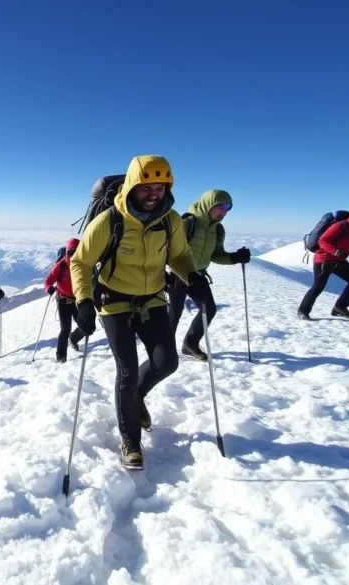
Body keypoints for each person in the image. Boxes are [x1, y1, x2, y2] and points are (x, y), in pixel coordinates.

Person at [70, 155, 205, 470]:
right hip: (114, 302)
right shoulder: (110, 221)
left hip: (153, 300)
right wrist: (84, 301)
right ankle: (130, 440)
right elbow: (81, 262)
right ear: (132, 186)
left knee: (167, 362)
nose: (154, 194)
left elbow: (180, 255)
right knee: (127, 372)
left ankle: (135, 400)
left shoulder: (170, 220)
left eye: (160, 187)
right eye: (147, 188)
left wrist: (192, 275)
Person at [167, 190, 251, 360]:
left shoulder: (218, 229)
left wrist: (235, 257)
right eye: (221, 206)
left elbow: (216, 254)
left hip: (199, 276)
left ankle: (189, 344)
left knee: (209, 309)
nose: (225, 212)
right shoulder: (187, 223)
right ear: (208, 205)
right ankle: (165, 351)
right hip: (177, 275)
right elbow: (168, 251)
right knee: (174, 313)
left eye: (228, 208)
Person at [44, 238, 86, 363]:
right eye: (70, 253)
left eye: (76, 252)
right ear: (66, 252)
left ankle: (73, 339)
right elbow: (48, 282)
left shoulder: (83, 265)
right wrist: (49, 288)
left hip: (78, 300)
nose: (73, 256)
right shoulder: (60, 265)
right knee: (65, 329)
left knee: (85, 326)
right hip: (63, 301)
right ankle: (61, 356)